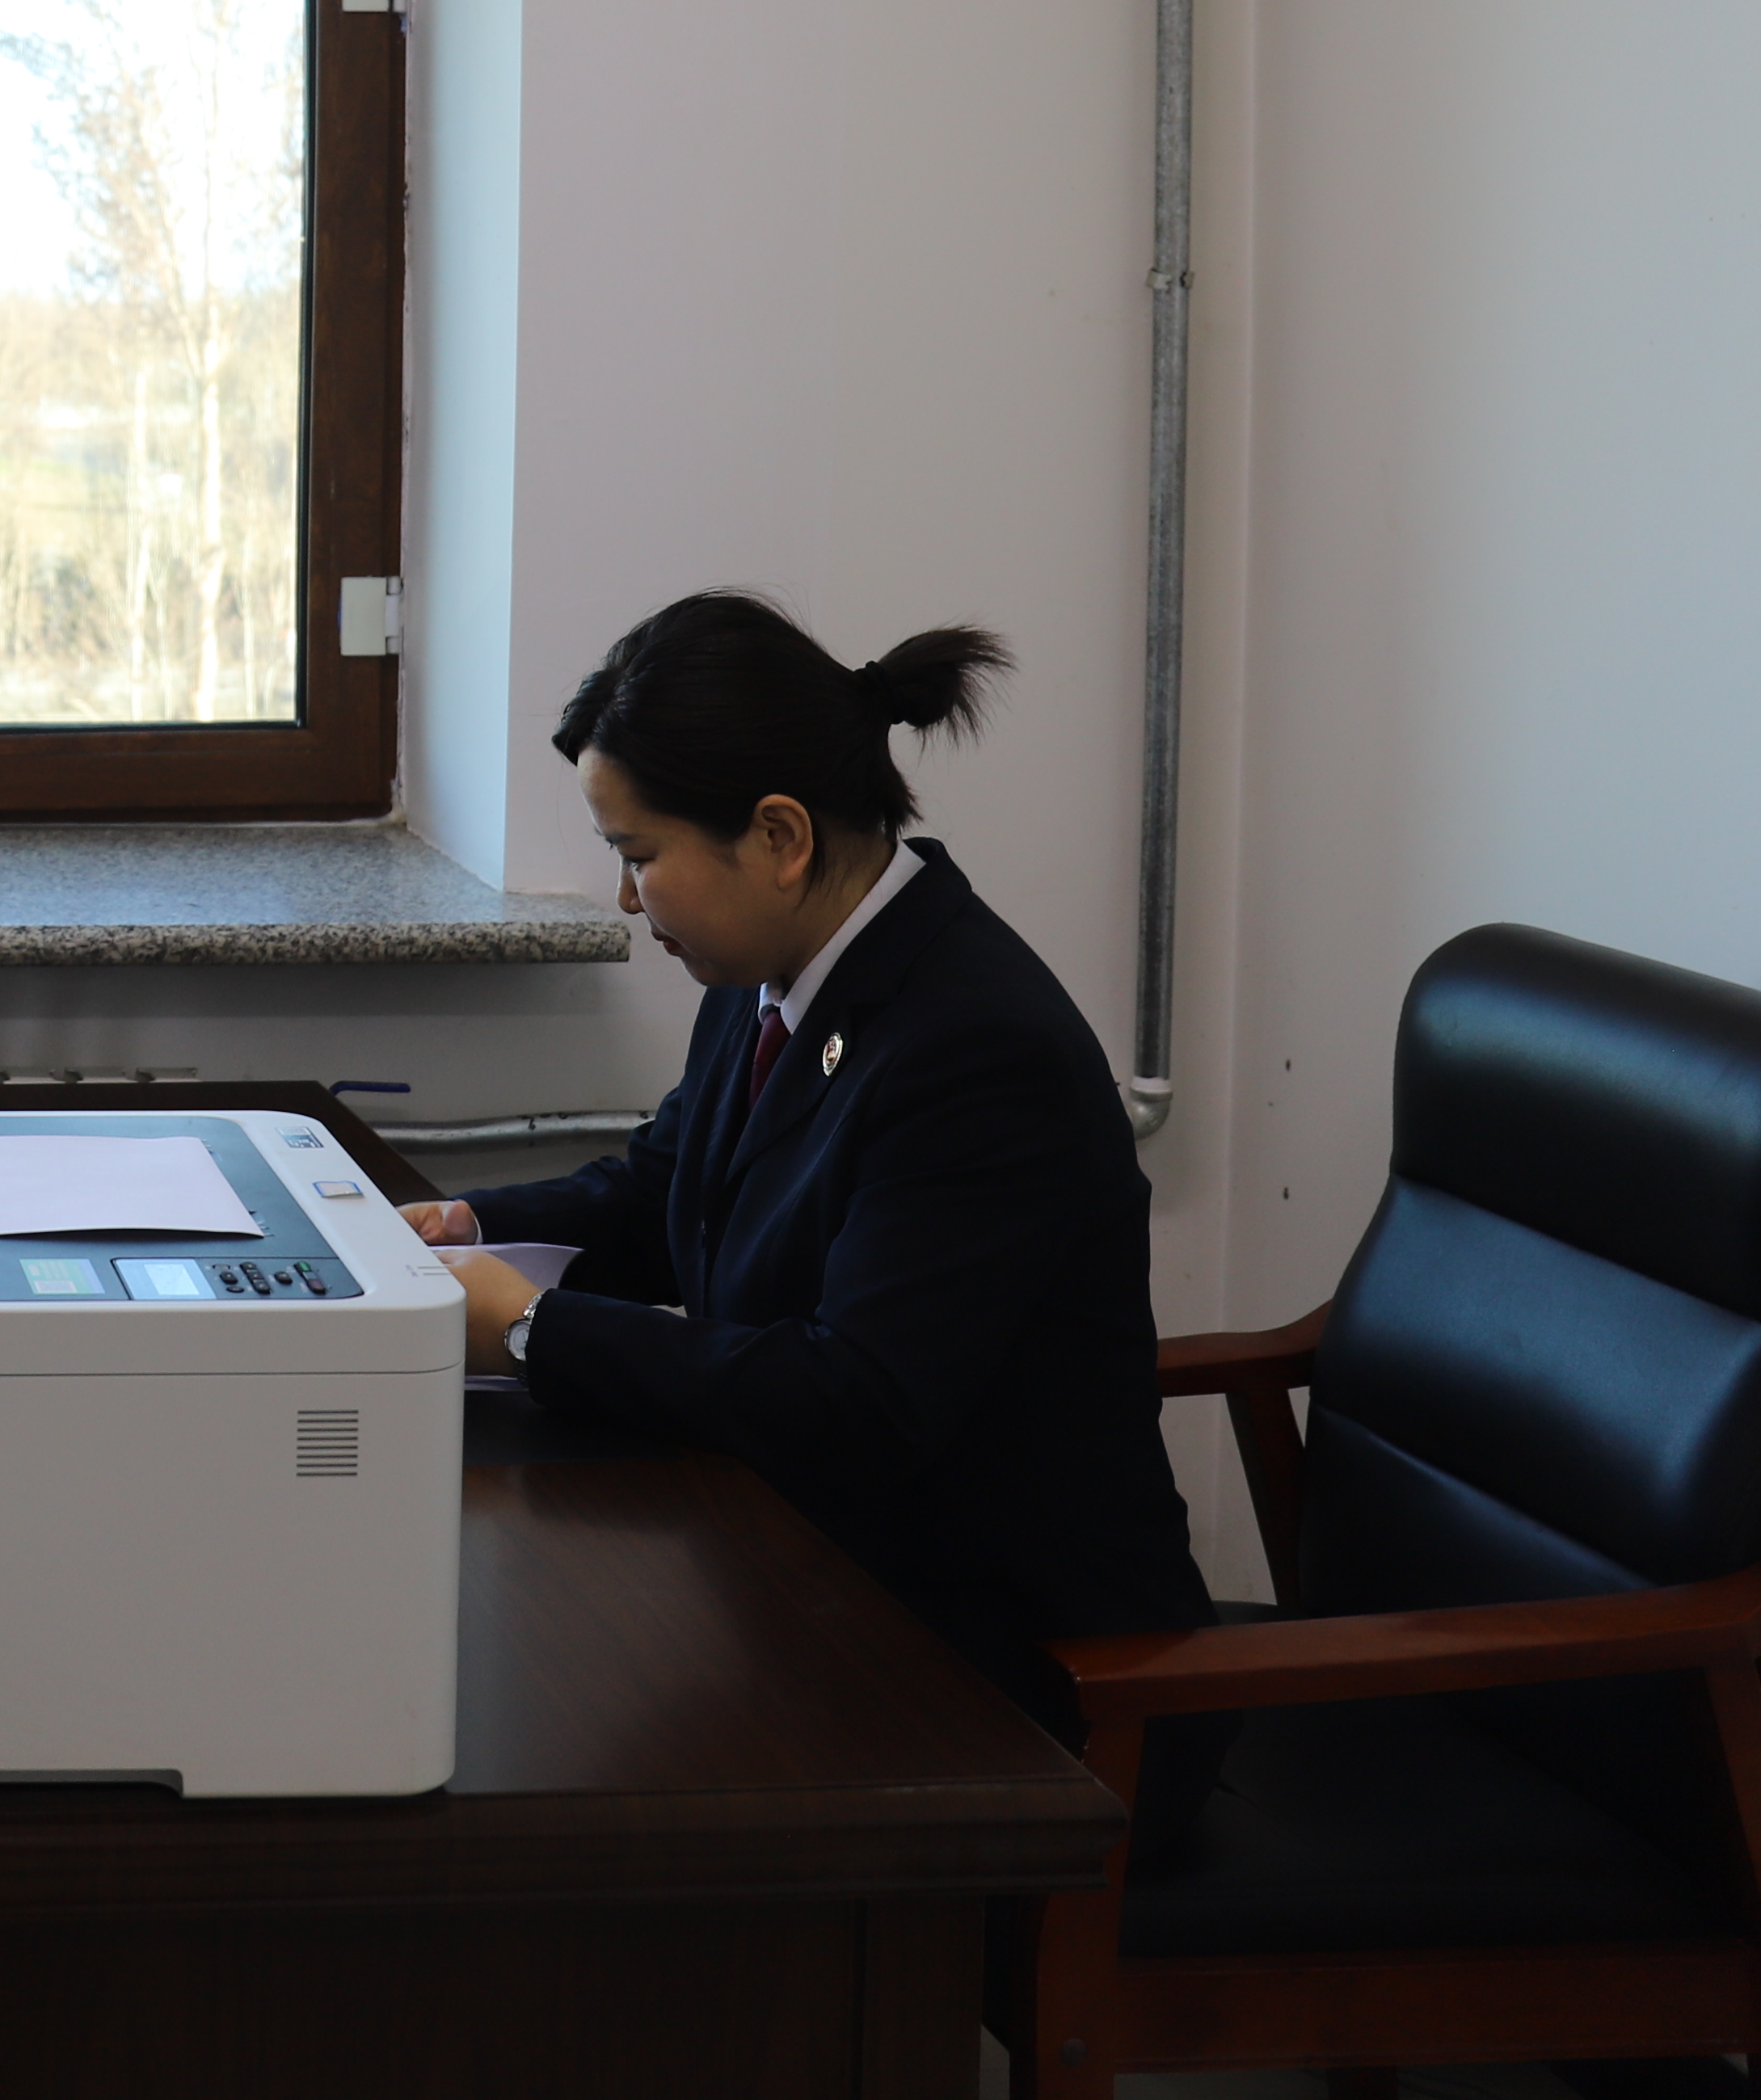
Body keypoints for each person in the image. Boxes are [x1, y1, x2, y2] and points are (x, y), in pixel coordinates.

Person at [413, 591, 1208, 1735]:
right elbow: (668, 1189)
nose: (627, 900)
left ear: (780, 839)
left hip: (1011, 1677)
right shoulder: (774, 970)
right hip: (808, 1582)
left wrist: (537, 1329)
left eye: (639, 856)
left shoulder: (978, 1049)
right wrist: (461, 1232)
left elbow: (859, 1402)